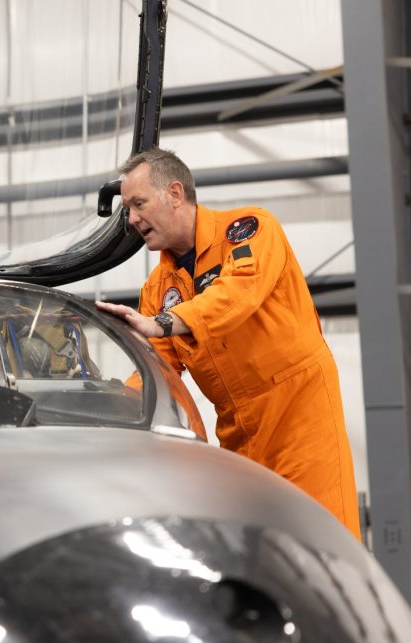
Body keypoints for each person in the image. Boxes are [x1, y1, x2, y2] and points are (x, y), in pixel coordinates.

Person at [96, 148, 361, 540]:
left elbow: (238, 294)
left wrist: (165, 322)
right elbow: (159, 373)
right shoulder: (157, 289)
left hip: (300, 415)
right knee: (256, 549)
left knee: (322, 540)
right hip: (237, 431)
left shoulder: (251, 229)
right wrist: (107, 408)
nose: (132, 219)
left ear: (174, 193)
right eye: (127, 209)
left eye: (138, 204)